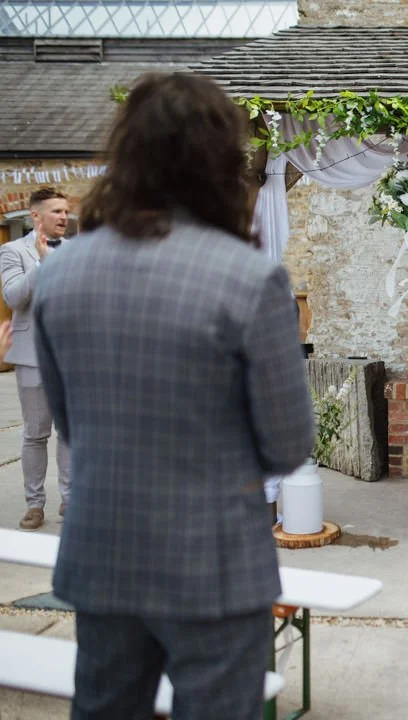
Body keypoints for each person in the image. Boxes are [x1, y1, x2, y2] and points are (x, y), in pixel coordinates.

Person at [32, 72, 314, 719]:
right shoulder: (250, 277)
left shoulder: (62, 273)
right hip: (212, 560)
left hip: (103, 551)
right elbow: (288, 442)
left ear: (126, 155)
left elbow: (72, 424)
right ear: (220, 161)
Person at [0, 186, 72, 531]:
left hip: (71, 356)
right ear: (35, 216)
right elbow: (13, 297)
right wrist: (42, 264)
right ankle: (34, 504)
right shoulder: (11, 251)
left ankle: (70, 500)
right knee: (35, 433)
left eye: (65, 211)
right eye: (56, 211)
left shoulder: (77, 251)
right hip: (31, 356)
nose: (63, 217)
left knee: (69, 433)